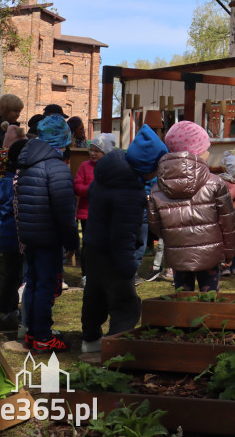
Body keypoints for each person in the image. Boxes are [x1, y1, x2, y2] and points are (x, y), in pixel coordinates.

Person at [80, 124, 167, 354]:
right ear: (147, 165)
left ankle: (90, 340)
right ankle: (117, 347)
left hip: (93, 246)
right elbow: (123, 232)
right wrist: (128, 265)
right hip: (114, 252)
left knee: (94, 296)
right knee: (125, 303)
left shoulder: (107, 174)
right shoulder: (129, 190)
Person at [148, 121, 235, 293]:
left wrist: (173, 236)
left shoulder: (158, 187)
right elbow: (228, 222)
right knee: (210, 300)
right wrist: (230, 251)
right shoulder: (216, 183)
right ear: (196, 152)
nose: (209, 152)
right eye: (205, 149)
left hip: (178, 256)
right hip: (210, 255)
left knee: (182, 300)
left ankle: (182, 320)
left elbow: (155, 224)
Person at [15, 114, 79, 353]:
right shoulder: (56, 167)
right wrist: (71, 240)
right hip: (49, 236)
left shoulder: (28, 163)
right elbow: (65, 210)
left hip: (31, 234)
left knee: (32, 282)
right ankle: (42, 335)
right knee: (45, 285)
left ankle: (33, 331)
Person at [0, 142, 26, 332]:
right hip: (12, 235)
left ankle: (3, 310)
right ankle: (4, 313)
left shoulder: (3, 181)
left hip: (4, 235)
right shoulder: (13, 182)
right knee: (10, 275)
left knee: (7, 274)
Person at [74, 133, 115, 285]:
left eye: (96, 150)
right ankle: (86, 274)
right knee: (88, 246)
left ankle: (103, 272)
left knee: (104, 245)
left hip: (106, 214)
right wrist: (91, 190)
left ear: (105, 153)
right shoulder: (85, 166)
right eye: (90, 150)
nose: (91, 153)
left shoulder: (112, 168)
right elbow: (77, 186)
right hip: (87, 214)